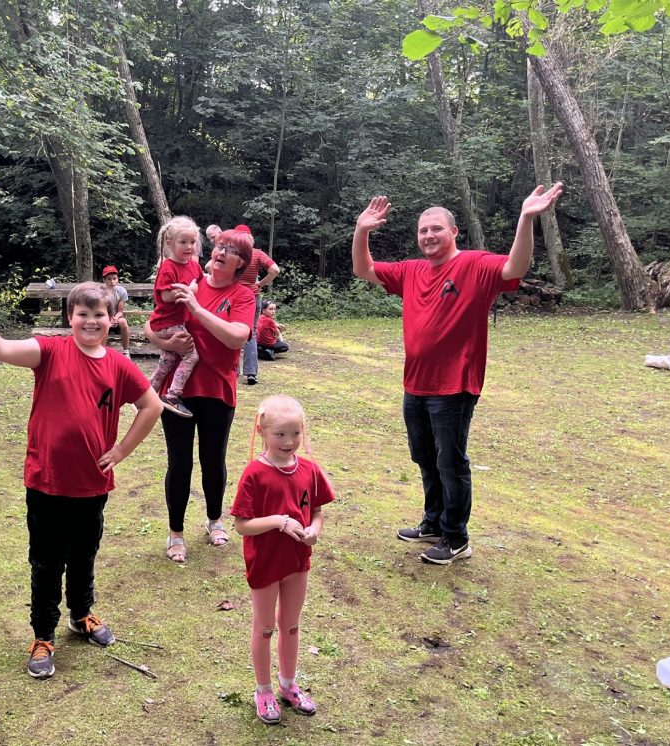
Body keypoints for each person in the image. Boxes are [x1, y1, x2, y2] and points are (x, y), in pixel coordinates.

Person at [350, 183, 564, 565]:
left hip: (454, 385)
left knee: (450, 461)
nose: (428, 235)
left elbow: (515, 267)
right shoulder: (411, 271)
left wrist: (526, 218)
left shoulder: (474, 265)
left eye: (436, 228)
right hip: (415, 383)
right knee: (424, 456)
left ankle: (456, 538)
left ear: (453, 232)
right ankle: (433, 523)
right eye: (423, 230)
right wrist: (362, 229)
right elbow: (363, 269)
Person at [0, 283, 163, 679]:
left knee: (85, 554)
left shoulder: (118, 365)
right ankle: (43, 635)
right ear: (70, 317)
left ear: (113, 319)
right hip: (47, 482)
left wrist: (121, 450)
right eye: (82, 314)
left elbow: (151, 405)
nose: (91, 321)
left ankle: (81, 614)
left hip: (92, 484)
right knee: (46, 561)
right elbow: (0, 348)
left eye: (99, 314)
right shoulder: (50, 351)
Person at [144, 227, 256, 563]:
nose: (220, 252)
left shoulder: (242, 295)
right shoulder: (191, 280)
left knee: (213, 460)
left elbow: (237, 337)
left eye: (230, 250)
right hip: (177, 393)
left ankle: (214, 520)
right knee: (179, 462)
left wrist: (195, 308)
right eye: (219, 246)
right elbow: (152, 323)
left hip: (217, 390)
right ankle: (175, 533)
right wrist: (165, 342)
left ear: (241, 262)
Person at [231, 395, 334, 724]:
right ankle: (263, 690)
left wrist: (314, 530)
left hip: (297, 561)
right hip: (265, 563)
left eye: (295, 433)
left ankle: (288, 685)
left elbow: (316, 512)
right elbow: (242, 525)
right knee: (264, 627)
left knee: (291, 624)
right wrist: (278, 521)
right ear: (261, 431)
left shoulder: (309, 470)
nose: (289, 442)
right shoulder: (255, 474)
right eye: (280, 434)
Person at [148, 216, 205, 418]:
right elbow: (165, 296)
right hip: (167, 322)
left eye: (192, 242)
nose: (189, 246)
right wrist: (187, 291)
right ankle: (172, 395)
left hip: (176, 322)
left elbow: (201, 281)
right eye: (183, 242)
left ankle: (146, 393)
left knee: (168, 358)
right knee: (191, 356)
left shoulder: (194, 266)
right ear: (170, 243)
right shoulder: (168, 267)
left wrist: (195, 287)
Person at [235, 225, 280, 386]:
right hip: (253, 296)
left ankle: (233, 370)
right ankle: (251, 373)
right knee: (251, 333)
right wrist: (260, 284)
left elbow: (209, 267)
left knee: (232, 330)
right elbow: (275, 270)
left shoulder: (233, 254)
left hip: (234, 295)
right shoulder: (257, 253)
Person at [102, 266, 132, 357]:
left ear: (117, 279)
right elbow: (100, 310)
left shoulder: (121, 291)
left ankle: (126, 351)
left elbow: (120, 311)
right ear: (104, 280)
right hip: (104, 317)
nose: (112, 281)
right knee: (105, 323)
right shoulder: (100, 292)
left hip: (116, 317)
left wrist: (115, 318)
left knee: (123, 322)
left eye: (114, 278)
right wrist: (109, 319)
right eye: (109, 279)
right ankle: (102, 351)